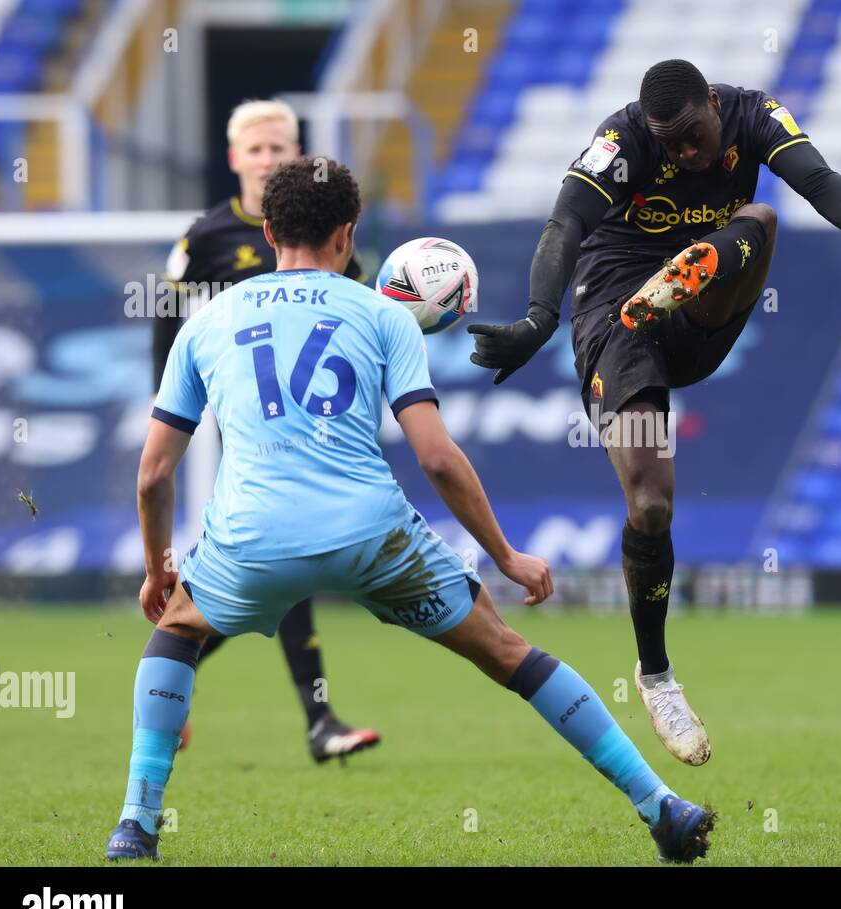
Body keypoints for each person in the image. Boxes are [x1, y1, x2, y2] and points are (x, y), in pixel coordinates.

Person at [105, 157, 715, 864]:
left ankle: (135, 824)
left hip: (251, 535)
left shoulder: (207, 321)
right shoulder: (382, 316)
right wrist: (507, 554)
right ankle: (660, 806)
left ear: (267, 231)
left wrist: (158, 567)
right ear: (348, 233)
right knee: (512, 653)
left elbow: (153, 474)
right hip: (372, 534)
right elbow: (437, 457)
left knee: (176, 633)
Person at [469, 59, 841, 765]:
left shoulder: (754, 116)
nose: (685, 154)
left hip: (698, 316)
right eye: (671, 144)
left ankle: (687, 274)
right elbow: (564, 222)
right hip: (618, 322)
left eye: (692, 136)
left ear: (713, 102)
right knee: (651, 504)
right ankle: (656, 677)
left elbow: (819, 180)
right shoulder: (621, 142)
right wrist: (536, 320)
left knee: (763, 216)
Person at [157, 99, 378, 763]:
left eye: (280, 148)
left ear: (297, 154)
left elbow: (359, 315)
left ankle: (176, 663)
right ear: (234, 160)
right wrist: (170, 409)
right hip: (252, 426)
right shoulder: (206, 238)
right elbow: (168, 323)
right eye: (256, 150)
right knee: (287, 563)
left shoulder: (327, 235)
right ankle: (315, 719)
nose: (268, 159)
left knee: (279, 568)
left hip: (319, 424)